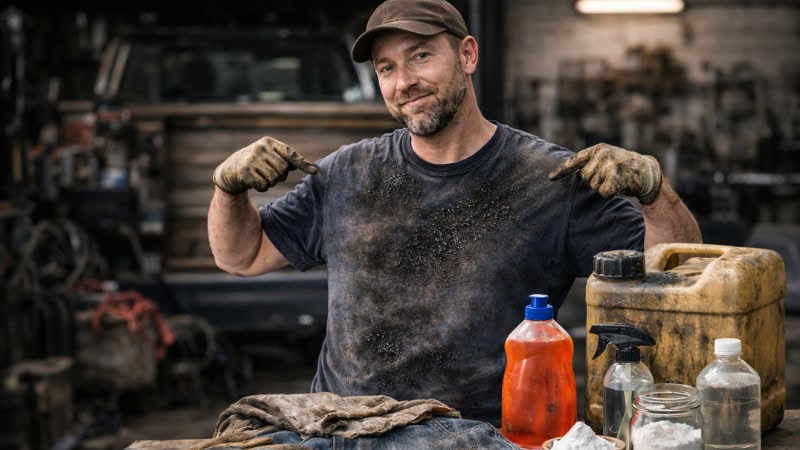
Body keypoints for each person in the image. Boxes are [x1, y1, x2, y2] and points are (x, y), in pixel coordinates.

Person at [207, 0, 701, 427]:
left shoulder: (550, 181)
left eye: (421, 56)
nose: (405, 82)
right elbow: (242, 255)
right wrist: (228, 189)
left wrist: (655, 193)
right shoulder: (346, 174)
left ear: (467, 55)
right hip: (345, 428)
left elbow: (676, 271)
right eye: (386, 68)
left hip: (483, 435)